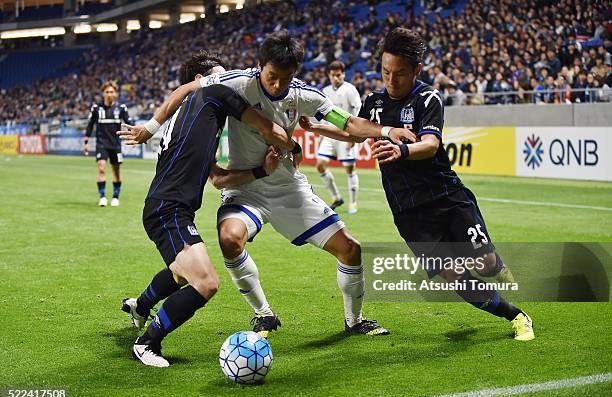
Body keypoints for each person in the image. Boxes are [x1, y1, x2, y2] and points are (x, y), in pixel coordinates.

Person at [122, 31, 416, 339]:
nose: (277, 85)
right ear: (260, 65)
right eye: (272, 76)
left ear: (295, 74)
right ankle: (264, 314)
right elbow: (186, 89)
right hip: (244, 190)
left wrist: (387, 130)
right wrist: (150, 126)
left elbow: (349, 122)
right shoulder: (235, 82)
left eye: (285, 79)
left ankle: (354, 321)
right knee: (230, 239)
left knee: (350, 249)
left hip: (289, 189)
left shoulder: (305, 95)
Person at [301, 28, 535, 342]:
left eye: (399, 74)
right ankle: (516, 315)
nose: (390, 80)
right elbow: (356, 134)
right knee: (453, 275)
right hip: (409, 213)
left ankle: (495, 264)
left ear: (416, 71)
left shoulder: (428, 98)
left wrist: (402, 150)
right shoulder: (374, 102)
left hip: (447, 199)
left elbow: (430, 145)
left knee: (485, 262)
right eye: (385, 72)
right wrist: (317, 128)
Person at [118, 58, 293, 367]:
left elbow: (220, 179)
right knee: (206, 282)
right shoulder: (213, 94)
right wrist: (291, 143)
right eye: (222, 74)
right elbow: (266, 127)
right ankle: (147, 344)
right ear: (203, 79)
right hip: (168, 210)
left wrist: (261, 172)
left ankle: (141, 306)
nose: (230, 77)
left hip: (171, 208)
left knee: (181, 273)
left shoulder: (198, 117)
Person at [315, 61, 363, 213]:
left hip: (346, 134)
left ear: (343, 74)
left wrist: (354, 135)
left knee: (349, 168)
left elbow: (358, 110)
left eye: (338, 75)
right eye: (333, 75)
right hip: (330, 134)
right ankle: (336, 197)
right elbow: (320, 112)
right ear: (329, 75)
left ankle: (353, 203)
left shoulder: (350, 90)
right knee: (320, 165)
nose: (336, 78)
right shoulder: (325, 91)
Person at [84, 81, 132, 207]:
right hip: (101, 144)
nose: (109, 94)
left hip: (115, 145)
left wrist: (134, 136)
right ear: (103, 94)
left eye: (112, 92)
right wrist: (86, 141)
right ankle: (103, 197)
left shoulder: (121, 108)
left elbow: (130, 123)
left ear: (115, 94)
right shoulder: (96, 108)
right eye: (107, 92)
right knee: (101, 168)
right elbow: (90, 125)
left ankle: (115, 197)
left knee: (116, 171)